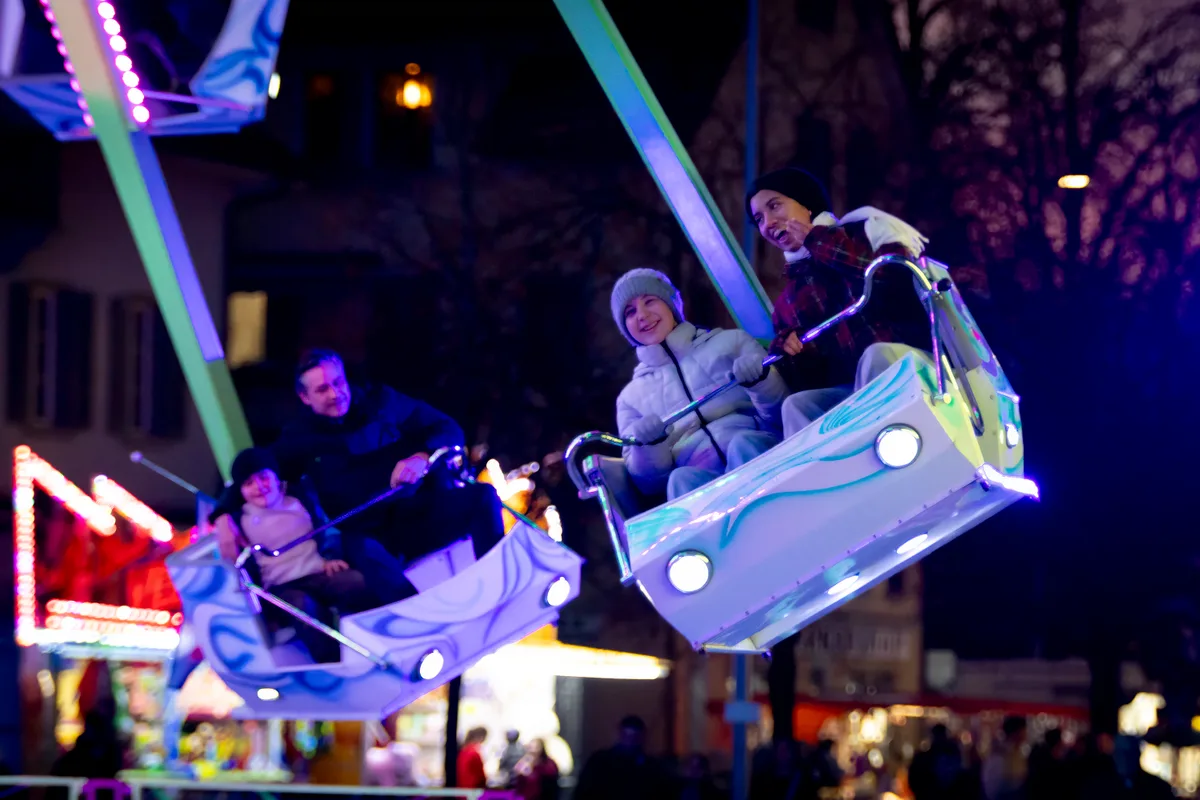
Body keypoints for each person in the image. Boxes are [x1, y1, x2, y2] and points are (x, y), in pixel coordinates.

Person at [272, 349, 505, 585]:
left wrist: (422, 456)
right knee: (363, 549)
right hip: (367, 533)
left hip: (416, 513)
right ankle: (411, 606)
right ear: (305, 397)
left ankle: (498, 583)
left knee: (483, 495)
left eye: (338, 382)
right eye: (322, 389)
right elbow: (266, 475)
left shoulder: (381, 402)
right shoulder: (297, 438)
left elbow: (448, 428)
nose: (335, 394)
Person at [746, 167, 935, 438]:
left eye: (774, 206)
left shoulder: (866, 230)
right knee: (797, 406)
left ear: (806, 204)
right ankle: (838, 464)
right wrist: (793, 349)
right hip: (858, 389)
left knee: (876, 356)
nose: (768, 223)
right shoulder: (788, 299)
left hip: (914, 365)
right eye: (759, 219)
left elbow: (893, 279)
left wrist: (815, 240)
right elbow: (814, 378)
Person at [611, 268, 788, 500]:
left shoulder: (732, 342)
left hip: (756, 446)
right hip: (703, 478)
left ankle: (775, 506)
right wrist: (649, 447)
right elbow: (650, 485)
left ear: (671, 304)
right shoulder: (630, 399)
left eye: (650, 301)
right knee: (680, 480)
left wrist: (761, 383)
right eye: (630, 312)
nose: (642, 315)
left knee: (743, 445)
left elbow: (781, 413)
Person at [213, 448, 375, 663]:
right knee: (303, 607)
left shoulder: (300, 498)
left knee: (355, 582)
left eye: (263, 477)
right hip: (282, 587)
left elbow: (327, 530)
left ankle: (378, 640)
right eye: (249, 483)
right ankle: (335, 663)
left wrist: (330, 557)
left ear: (275, 476)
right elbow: (232, 563)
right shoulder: (238, 520)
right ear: (240, 491)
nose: (259, 487)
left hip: (319, 571)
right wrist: (222, 521)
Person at [573, 715, 670, 800]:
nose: (630, 742)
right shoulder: (600, 762)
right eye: (626, 736)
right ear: (619, 735)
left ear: (642, 738)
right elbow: (584, 792)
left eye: (634, 737)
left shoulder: (652, 768)